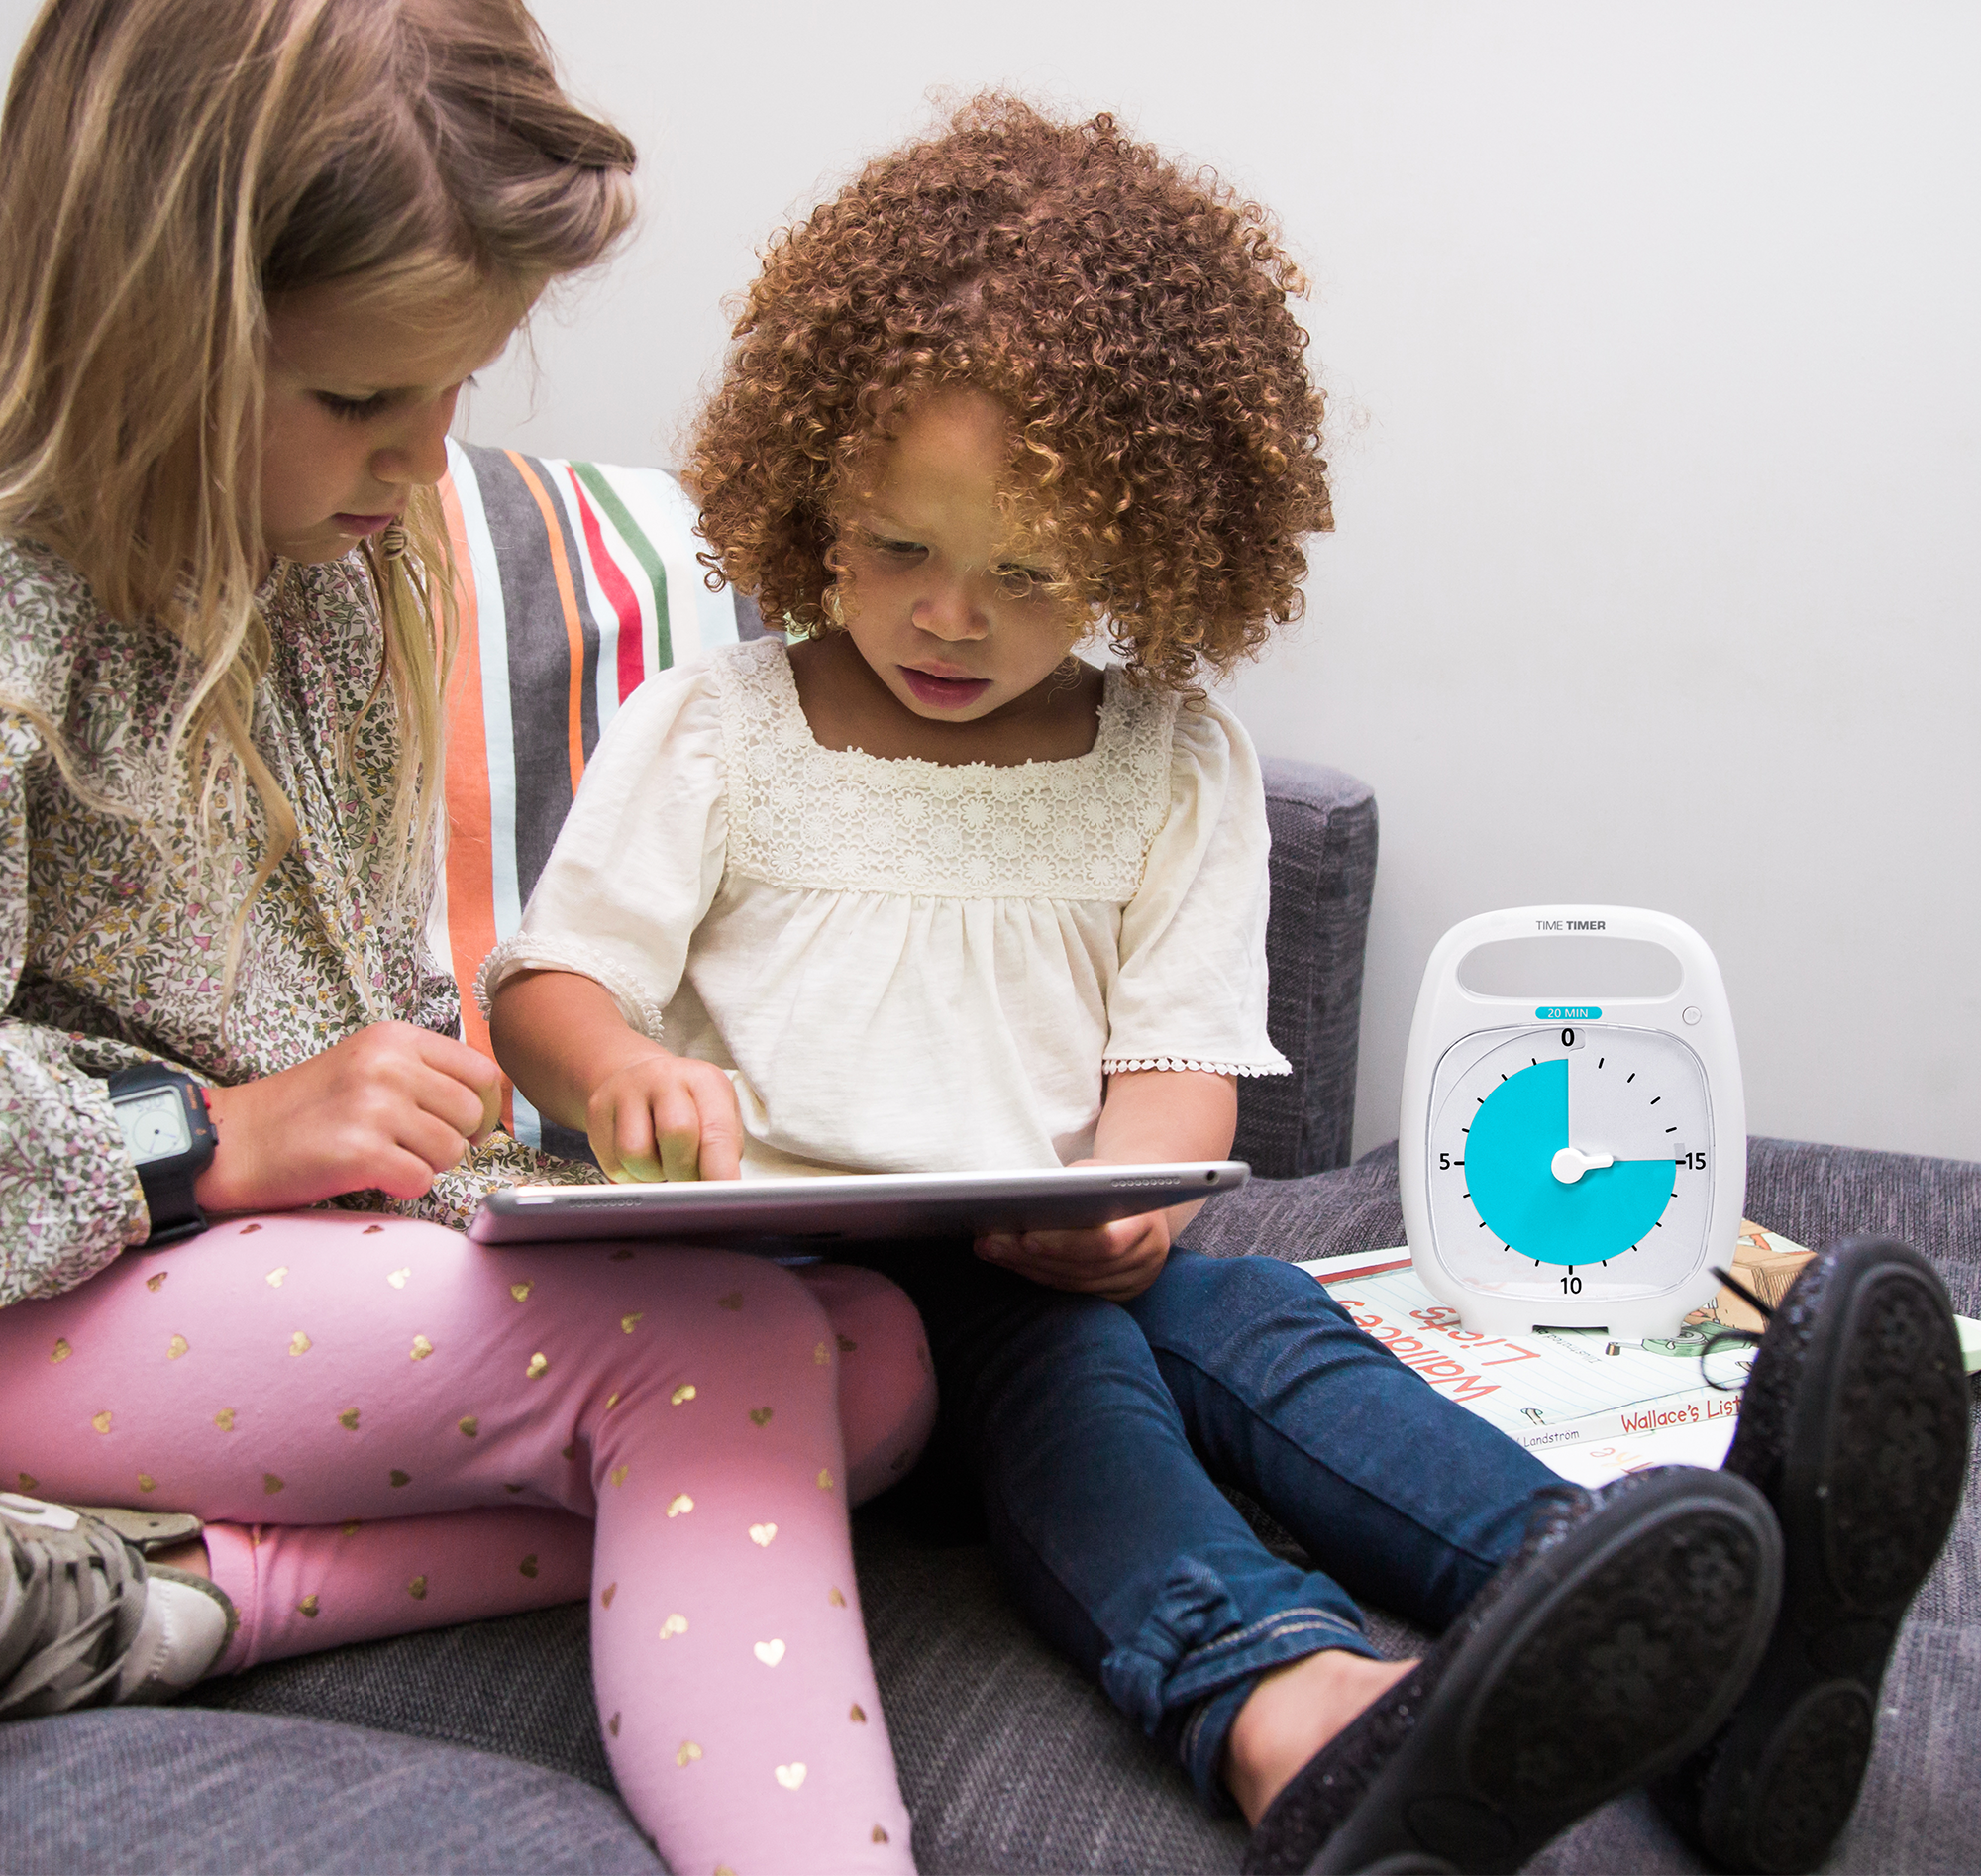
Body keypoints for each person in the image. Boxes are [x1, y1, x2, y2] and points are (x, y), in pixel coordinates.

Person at [487, 95, 1970, 1875]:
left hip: (1041, 1261)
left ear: (1149, 547)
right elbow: (548, 987)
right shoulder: (724, 730)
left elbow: (1183, 1088)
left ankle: (1670, 1623)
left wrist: (1129, 1211)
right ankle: (1297, 1715)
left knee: (1249, 1318)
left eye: (1026, 572)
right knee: (1068, 1373)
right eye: (896, 547)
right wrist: (611, 1075)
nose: (949, 617)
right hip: (783, 1311)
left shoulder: (1173, 760)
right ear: (814, 494)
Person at [0, 0, 933, 1872]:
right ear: (145, 321)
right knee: (717, 1354)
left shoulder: (324, 561)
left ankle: (205, 1590)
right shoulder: (20, 602)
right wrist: (209, 1138)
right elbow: (229, 1107)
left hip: (230, 1293)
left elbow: (359, 1002)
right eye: (361, 400)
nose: (428, 460)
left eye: (454, 389)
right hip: (58, 1284)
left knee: (876, 1353)